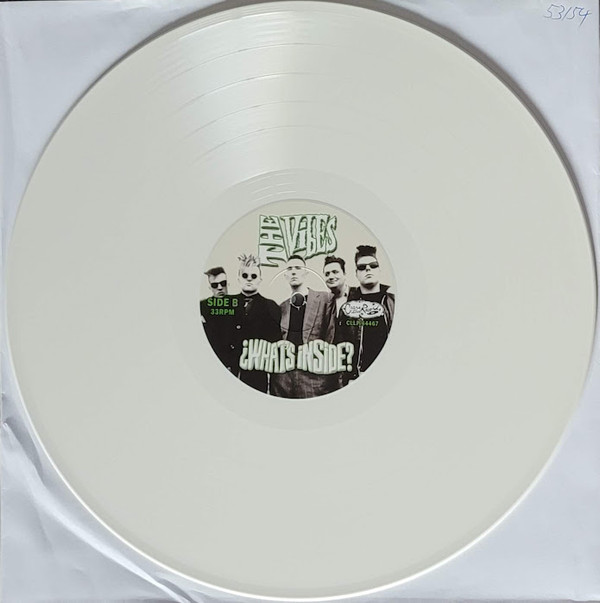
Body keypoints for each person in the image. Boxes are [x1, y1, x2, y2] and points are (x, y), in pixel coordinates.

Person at [270, 255, 338, 398]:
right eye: (289, 269)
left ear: (306, 272)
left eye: (298, 268)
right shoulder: (281, 307)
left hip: (314, 377)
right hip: (283, 379)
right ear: (285, 275)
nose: (294, 272)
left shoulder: (325, 299)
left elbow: (331, 337)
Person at [230, 254, 281, 393]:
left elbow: (275, 345)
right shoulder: (228, 304)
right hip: (229, 371)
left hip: (256, 375)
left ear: (260, 280)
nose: (249, 279)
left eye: (253, 276)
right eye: (245, 275)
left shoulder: (271, 307)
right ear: (238, 278)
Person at [342, 245, 395, 378]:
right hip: (359, 376)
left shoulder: (394, 302)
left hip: (389, 373)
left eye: (373, 265)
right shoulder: (347, 306)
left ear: (379, 270)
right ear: (356, 274)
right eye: (362, 267)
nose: (368, 269)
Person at [200, 266, 236, 372]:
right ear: (210, 288)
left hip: (235, 364)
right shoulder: (203, 307)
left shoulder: (238, 304)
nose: (220, 288)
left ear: (228, 284)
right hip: (212, 363)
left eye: (223, 283)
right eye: (215, 285)